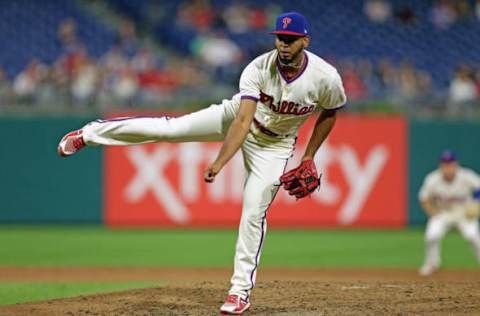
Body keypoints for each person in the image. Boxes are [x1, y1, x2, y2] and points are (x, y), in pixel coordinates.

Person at [57, 12, 346, 314]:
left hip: (276, 146)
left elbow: (331, 111)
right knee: (170, 128)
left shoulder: (325, 77)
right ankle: (89, 134)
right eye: (279, 38)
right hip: (235, 118)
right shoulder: (258, 68)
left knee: (253, 212)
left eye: (290, 40)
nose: (283, 45)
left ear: (305, 41)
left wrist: (309, 154)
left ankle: (239, 292)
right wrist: (221, 161)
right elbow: (243, 120)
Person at [418, 150, 480, 276]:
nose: (448, 167)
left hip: (464, 214)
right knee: (431, 236)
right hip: (443, 213)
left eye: (450, 163)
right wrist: (432, 212)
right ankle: (431, 264)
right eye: (445, 163)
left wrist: (477, 202)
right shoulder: (432, 179)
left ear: (456, 164)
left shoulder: (466, 176)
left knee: (473, 236)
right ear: (441, 165)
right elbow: (423, 198)